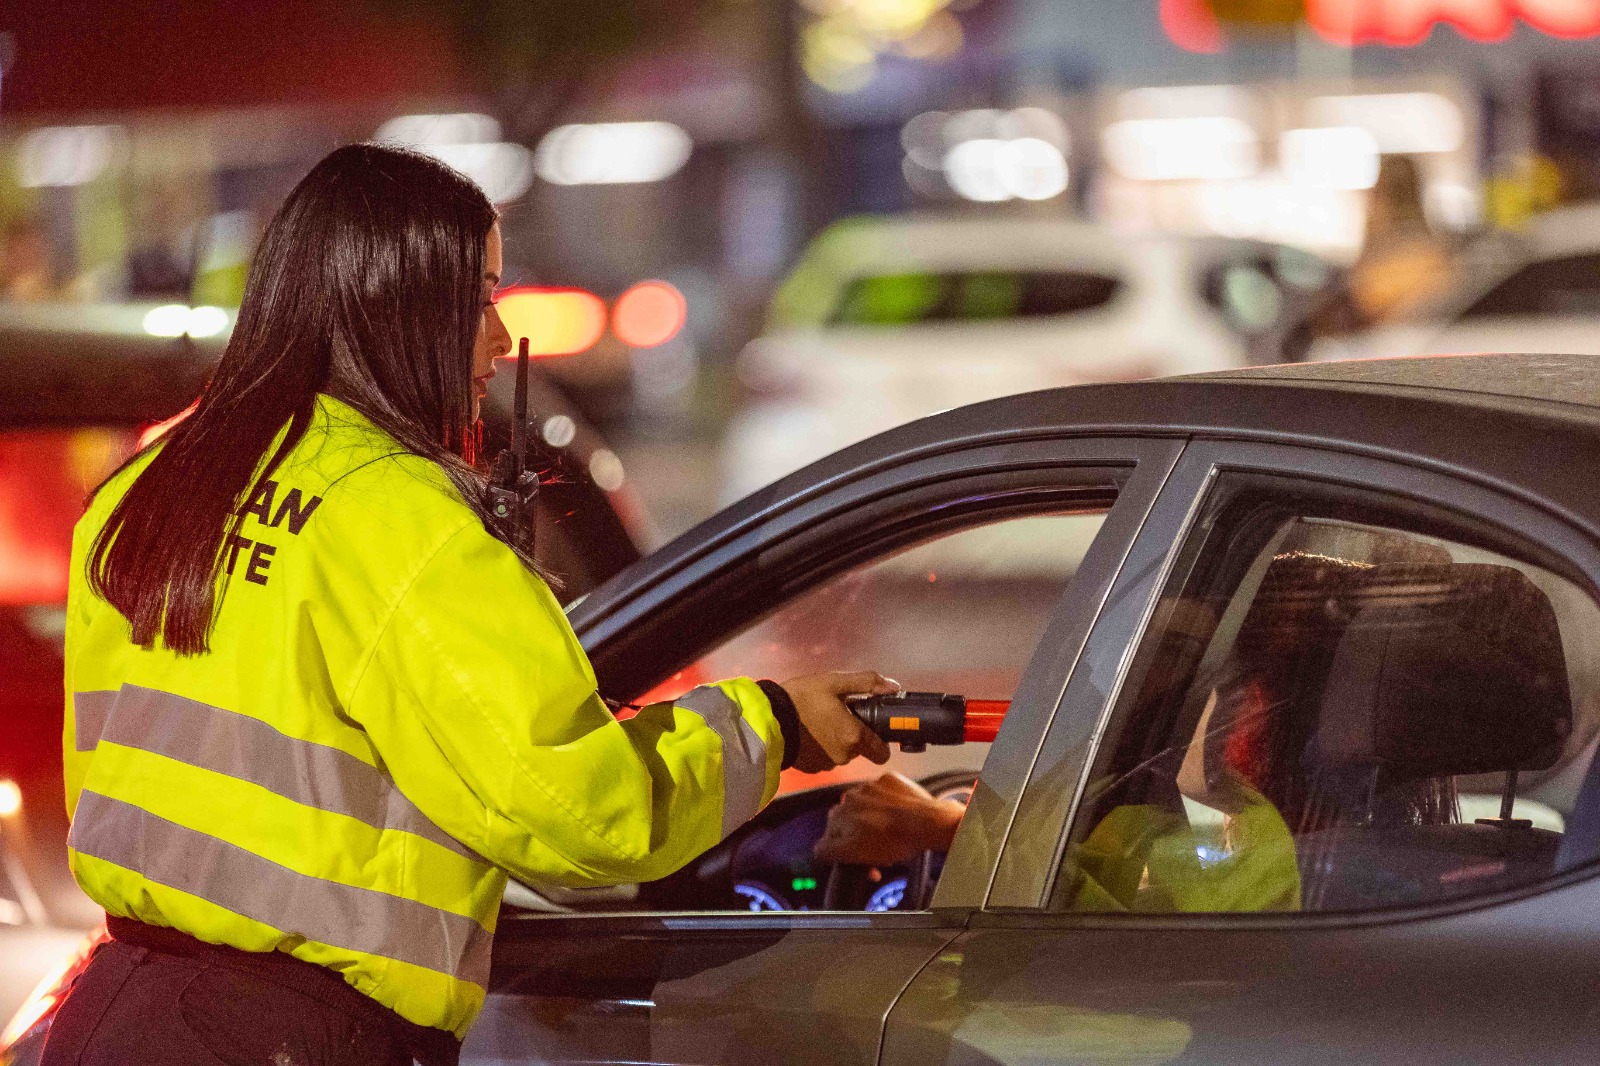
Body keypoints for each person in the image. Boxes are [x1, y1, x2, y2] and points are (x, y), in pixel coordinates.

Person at [46, 143, 894, 1066]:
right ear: (397, 306)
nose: (498, 336)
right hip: (295, 1037)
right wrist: (767, 723)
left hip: (114, 1009)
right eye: (481, 296)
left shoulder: (149, 489)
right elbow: (581, 811)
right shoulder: (403, 521)